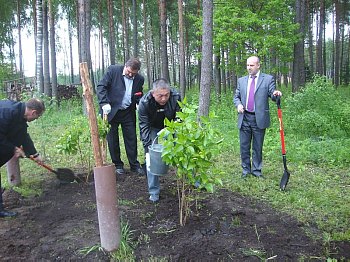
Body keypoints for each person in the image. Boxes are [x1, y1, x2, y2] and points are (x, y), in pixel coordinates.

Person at [233, 56, 282, 178]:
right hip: (244, 117)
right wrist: (238, 105)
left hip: (258, 118)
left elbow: (272, 95)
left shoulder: (268, 79)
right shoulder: (241, 81)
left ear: (258, 65)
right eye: (248, 65)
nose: (249, 68)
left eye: (252, 65)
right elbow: (236, 96)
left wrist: (276, 94)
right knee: (244, 146)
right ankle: (245, 171)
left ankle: (256, 171)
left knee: (257, 147)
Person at [96, 57, 145, 177]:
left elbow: (138, 93)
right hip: (111, 110)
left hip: (128, 111)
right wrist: (104, 103)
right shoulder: (113, 71)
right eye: (129, 72)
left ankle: (134, 165)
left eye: (133, 73)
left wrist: (139, 102)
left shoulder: (139, 79)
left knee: (131, 137)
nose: (130, 75)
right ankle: (118, 165)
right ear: (125, 66)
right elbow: (101, 86)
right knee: (112, 139)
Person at [0, 98, 45, 217]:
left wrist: (35, 154)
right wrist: (14, 148)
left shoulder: (20, 114)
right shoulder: (7, 112)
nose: (36, 119)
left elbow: (23, 135)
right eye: (37, 117)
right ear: (33, 112)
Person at [138, 78, 181, 202]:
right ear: (153, 93)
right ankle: (154, 191)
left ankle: (193, 180)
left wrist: (172, 130)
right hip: (152, 127)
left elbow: (180, 118)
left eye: (166, 95)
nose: (164, 98)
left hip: (171, 126)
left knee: (183, 148)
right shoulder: (144, 103)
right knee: (152, 157)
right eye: (160, 96)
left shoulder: (175, 97)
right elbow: (144, 126)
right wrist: (148, 148)